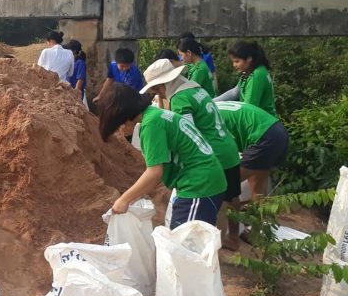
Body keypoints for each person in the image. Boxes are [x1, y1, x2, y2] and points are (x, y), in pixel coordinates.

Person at [98, 83, 227, 229]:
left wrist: (124, 199)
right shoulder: (154, 115)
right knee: (185, 238)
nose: (119, 132)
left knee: (184, 240)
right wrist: (135, 195)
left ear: (123, 116)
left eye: (117, 126)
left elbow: (154, 173)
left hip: (199, 185)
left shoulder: (151, 125)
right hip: (202, 179)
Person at [140, 59, 242, 243]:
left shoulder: (180, 98)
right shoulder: (195, 89)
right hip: (228, 148)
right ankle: (233, 238)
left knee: (213, 205)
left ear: (164, 84)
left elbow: (187, 131)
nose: (157, 94)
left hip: (213, 154)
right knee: (230, 197)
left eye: (157, 89)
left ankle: (213, 245)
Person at [215, 101, 289, 199]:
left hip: (262, 136)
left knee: (225, 186)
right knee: (257, 187)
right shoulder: (211, 107)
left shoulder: (203, 121)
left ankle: (234, 210)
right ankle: (261, 208)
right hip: (275, 128)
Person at [228, 41, 277, 117]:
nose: (234, 65)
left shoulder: (256, 75)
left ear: (249, 59)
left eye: (237, 61)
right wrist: (213, 102)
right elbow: (235, 92)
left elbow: (248, 108)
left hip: (261, 121)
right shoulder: (254, 71)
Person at [63, 39, 87, 105]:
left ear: (74, 51)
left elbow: (80, 79)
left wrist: (75, 93)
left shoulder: (80, 63)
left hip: (75, 94)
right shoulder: (71, 62)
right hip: (68, 92)